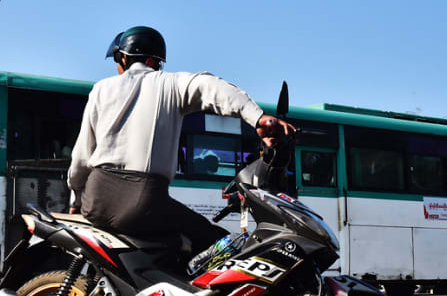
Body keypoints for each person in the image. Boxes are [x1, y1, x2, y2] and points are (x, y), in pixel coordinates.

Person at [67, 26, 294, 257]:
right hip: (141, 202)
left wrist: (76, 198)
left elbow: (81, 157)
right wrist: (257, 117)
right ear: (155, 61)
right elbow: (214, 89)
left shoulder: (100, 89)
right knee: (217, 243)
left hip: (94, 200)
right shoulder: (172, 84)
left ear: (124, 58)